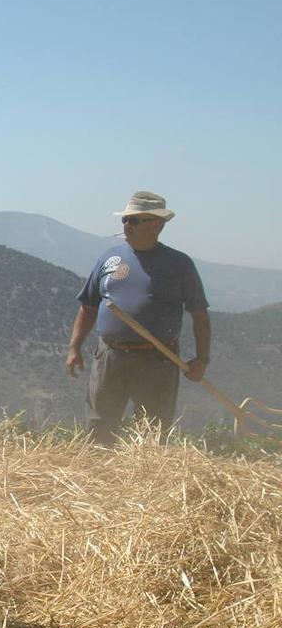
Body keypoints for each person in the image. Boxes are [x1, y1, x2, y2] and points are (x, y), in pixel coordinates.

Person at [66, 191, 210, 445]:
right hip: (110, 355)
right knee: (99, 427)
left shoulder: (179, 265)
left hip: (157, 359)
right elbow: (88, 306)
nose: (126, 225)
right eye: (125, 220)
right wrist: (74, 347)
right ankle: (98, 480)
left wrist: (202, 359)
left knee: (151, 432)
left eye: (133, 220)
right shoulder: (109, 258)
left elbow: (199, 314)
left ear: (156, 224)